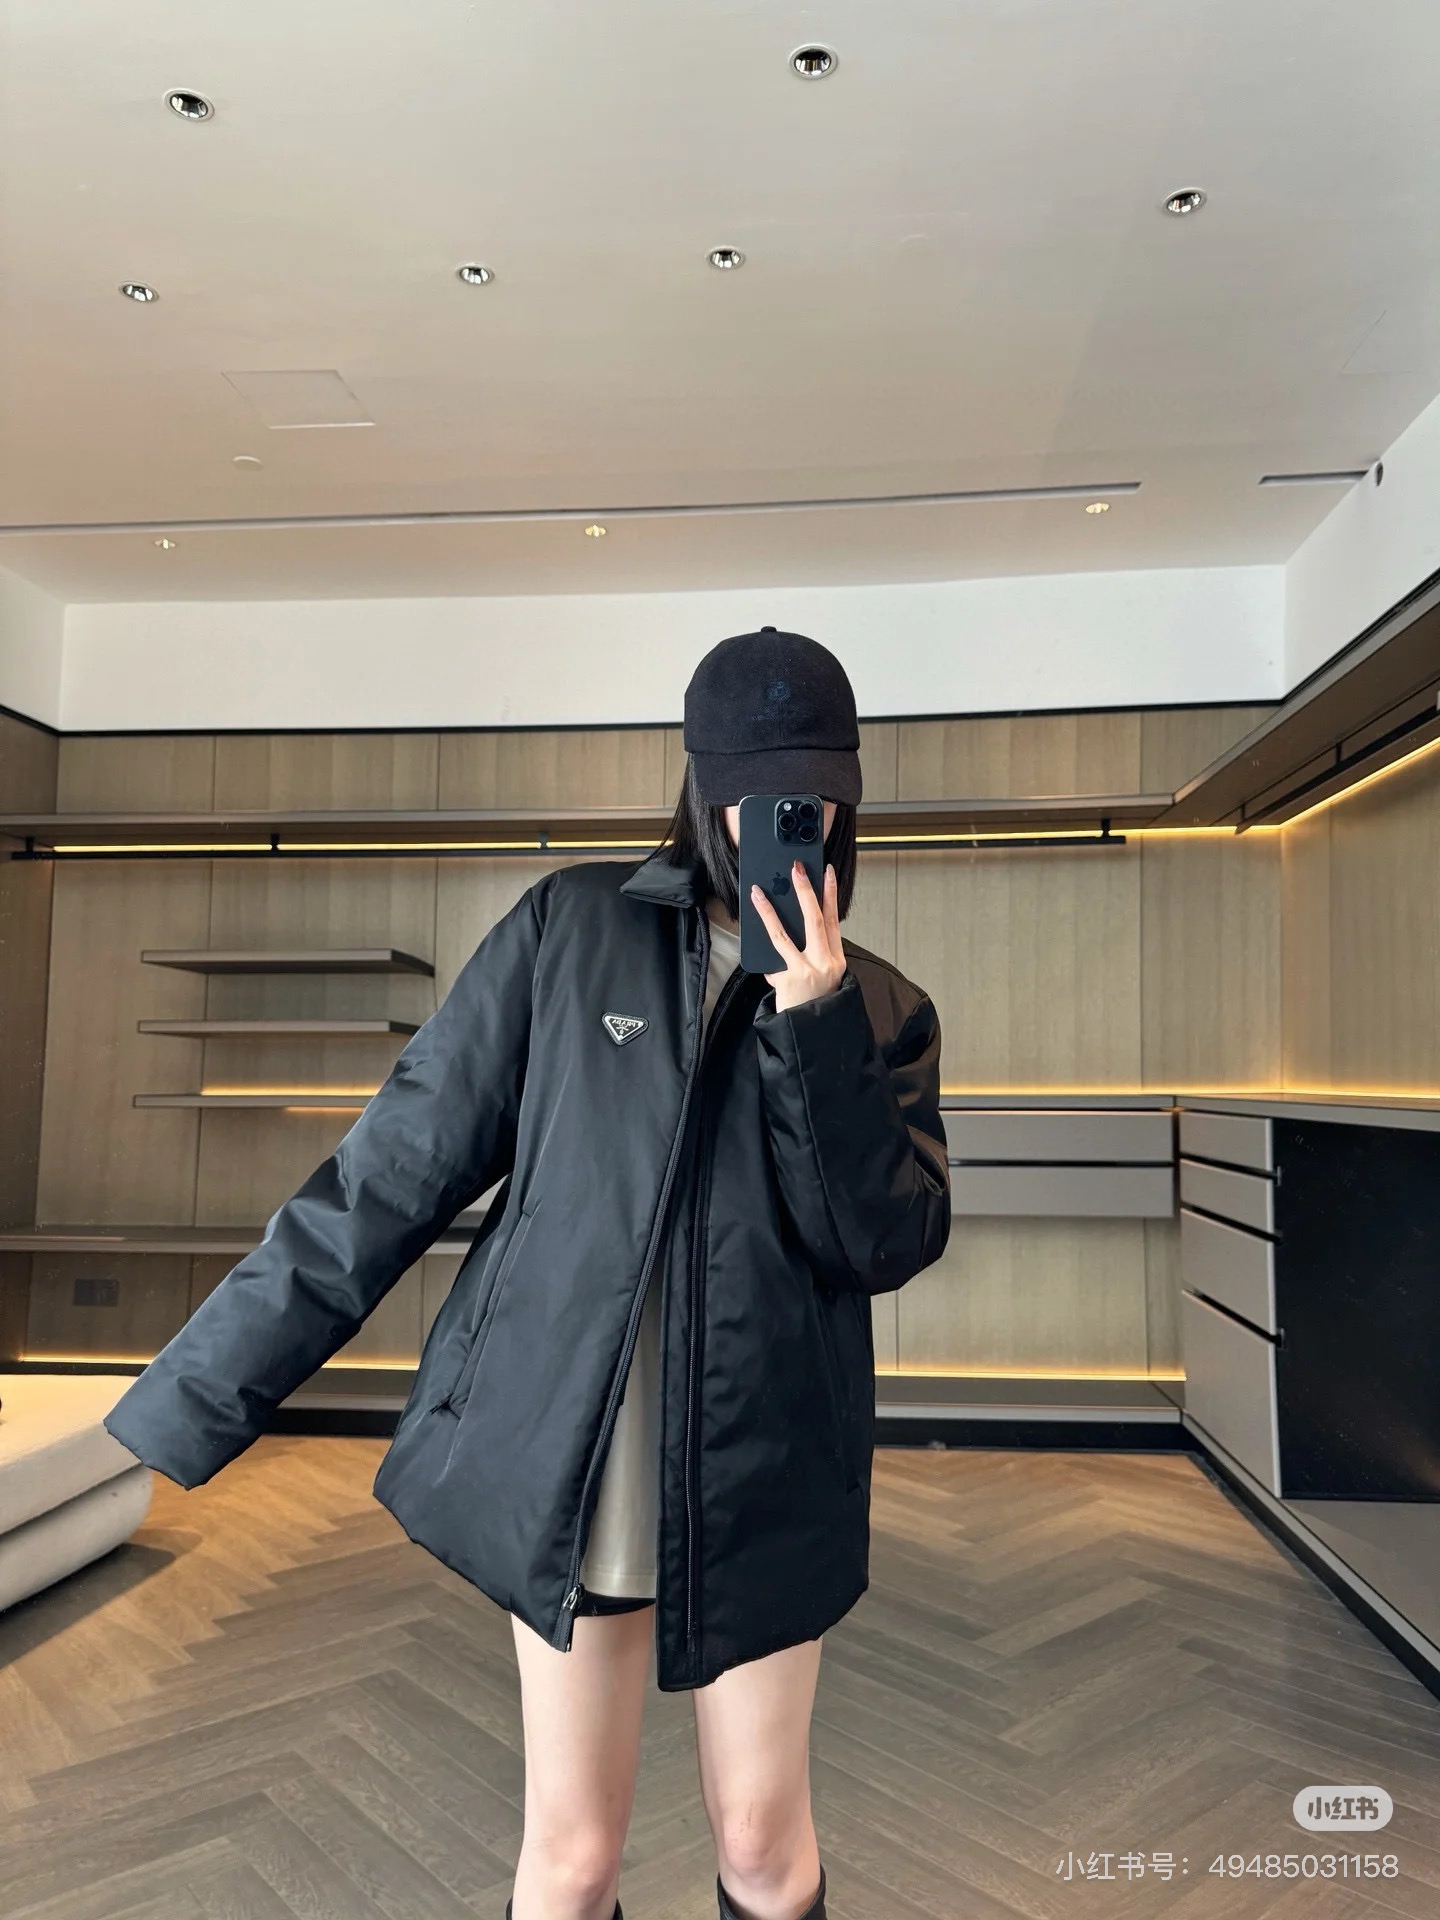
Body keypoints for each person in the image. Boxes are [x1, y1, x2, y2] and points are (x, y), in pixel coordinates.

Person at [102, 626, 952, 1920]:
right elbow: (390, 1173)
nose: (786, 823)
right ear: (704, 788)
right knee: (572, 1857)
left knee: (763, 1845)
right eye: (756, 792)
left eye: (813, 796)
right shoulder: (570, 929)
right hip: (576, 1459)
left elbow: (879, 1244)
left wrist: (815, 1017)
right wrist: (195, 1392)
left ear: (848, 803)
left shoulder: (883, 1010)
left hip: (771, 1467)